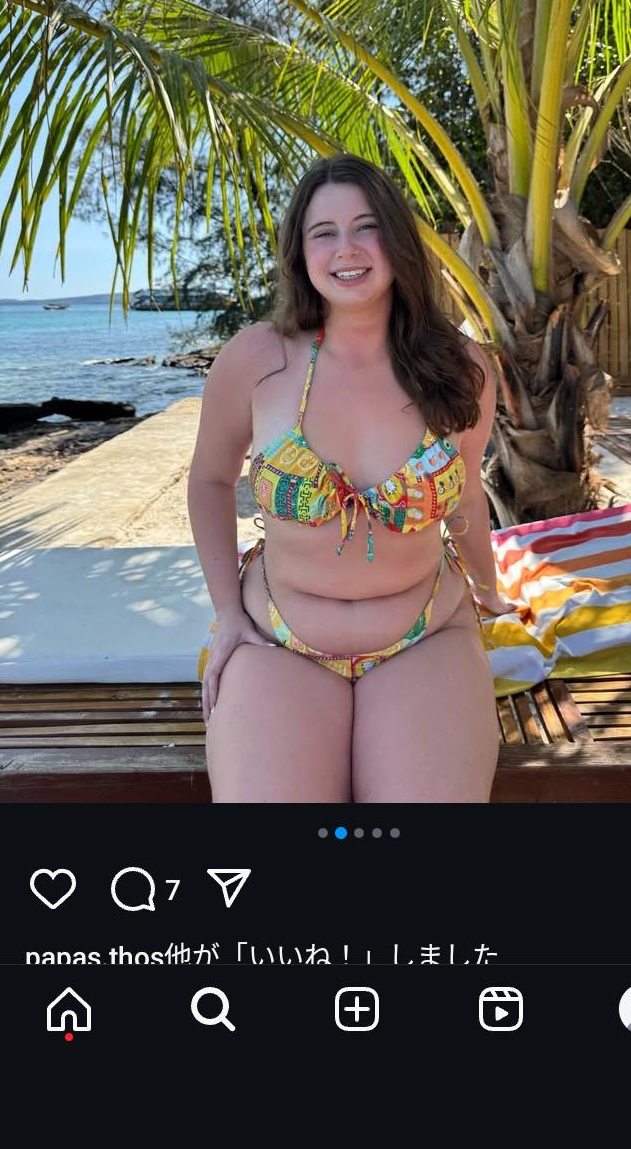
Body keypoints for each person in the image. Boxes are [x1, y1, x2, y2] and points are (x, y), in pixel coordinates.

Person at [188, 153, 513, 803]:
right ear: (300, 252)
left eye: (366, 227)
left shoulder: (461, 367)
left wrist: (491, 591)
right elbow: (211, 481)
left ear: (397, 239)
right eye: (324, 232)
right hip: (278, 640)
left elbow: (466, 494)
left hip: (426, 633)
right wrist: (227, 613)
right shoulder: (257, 358)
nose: (347, 249)